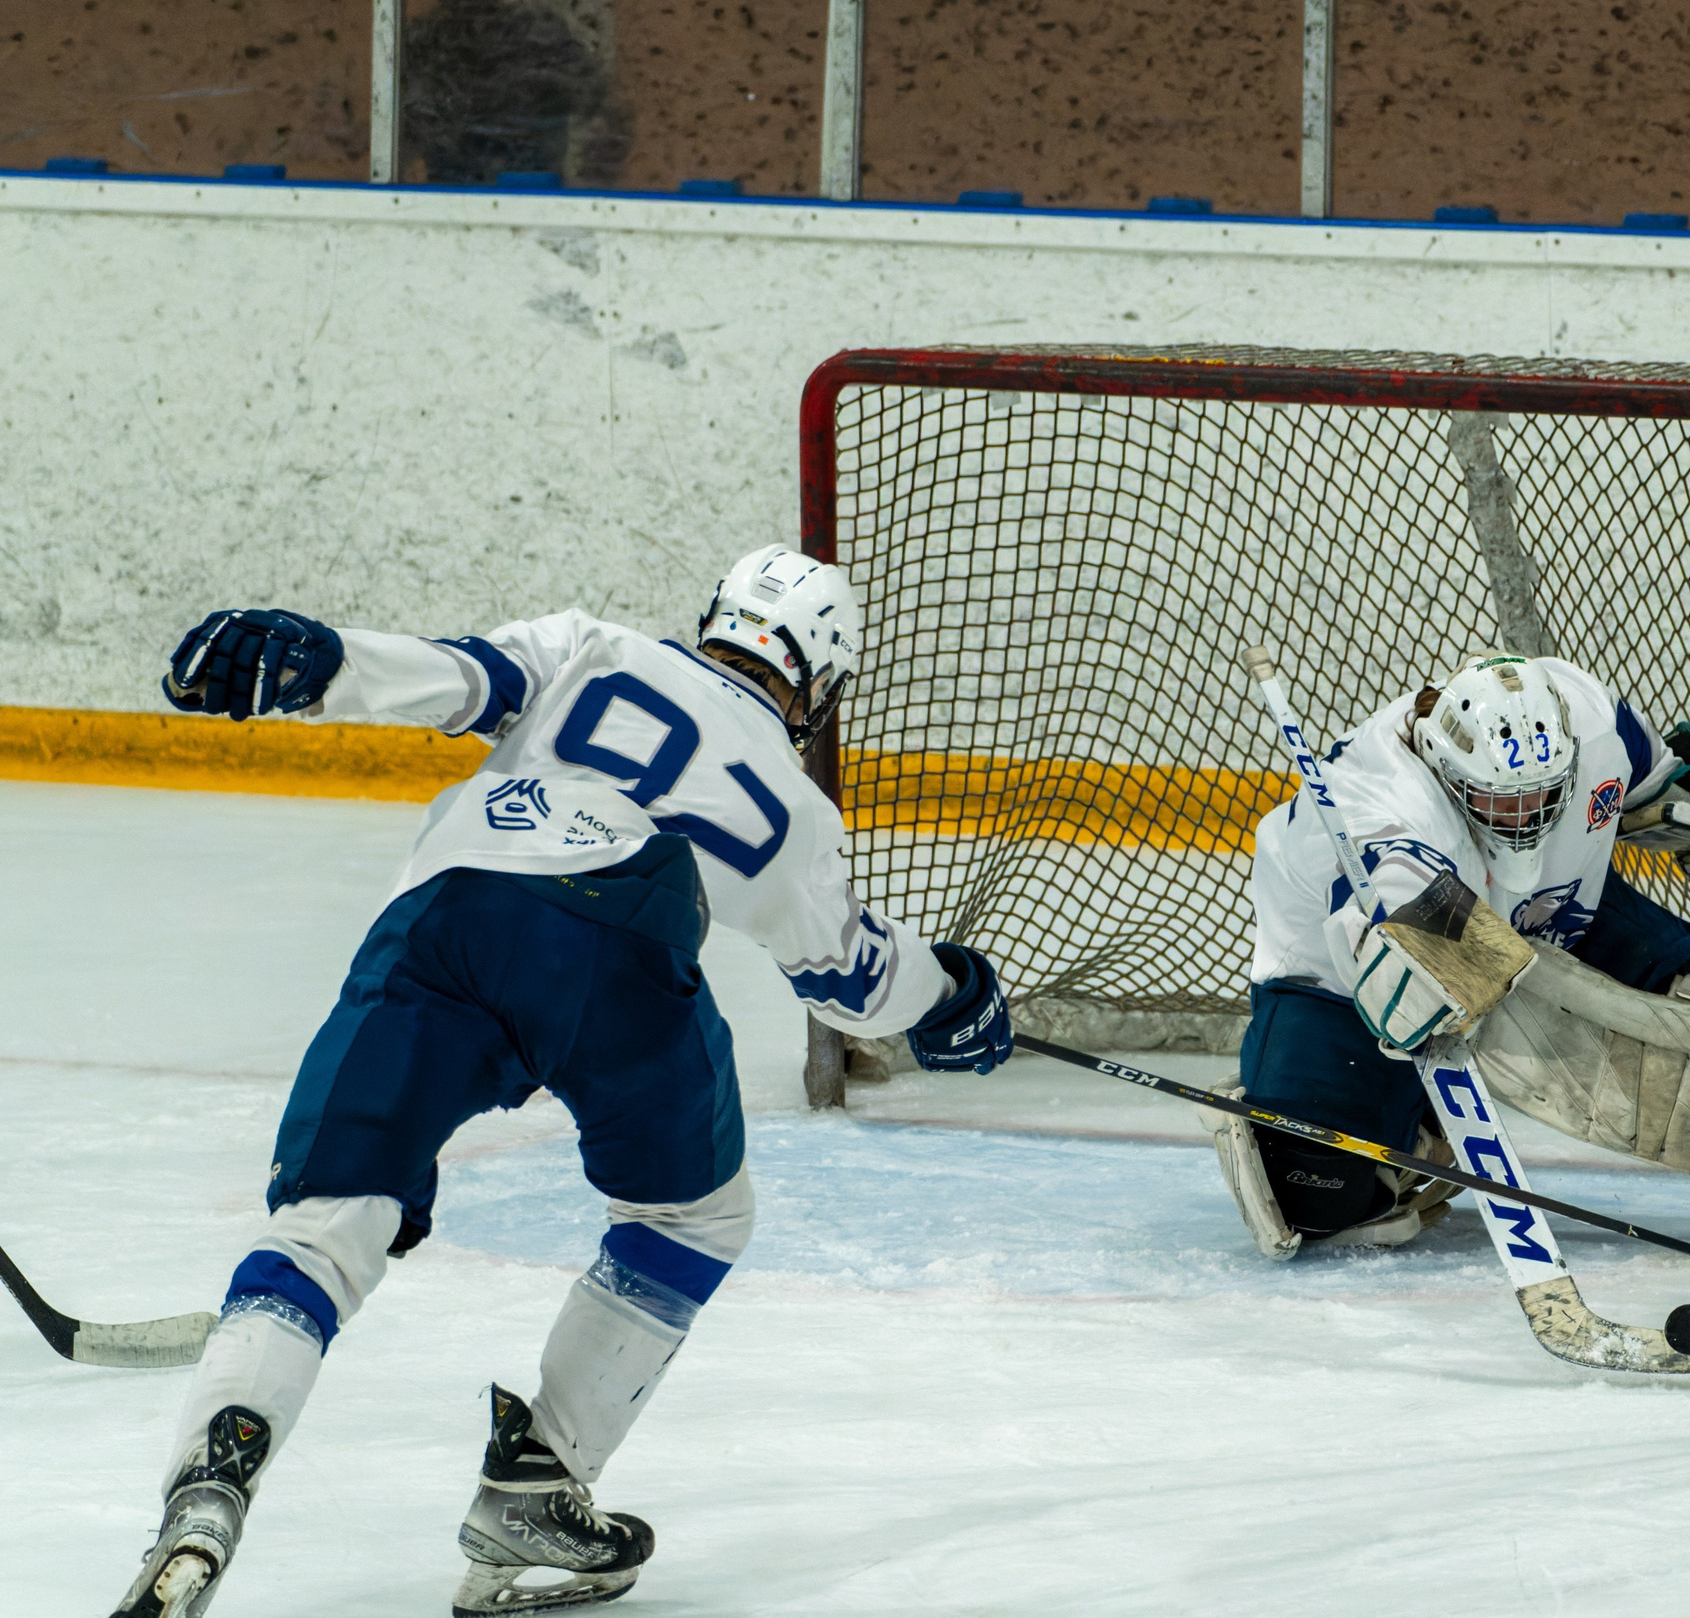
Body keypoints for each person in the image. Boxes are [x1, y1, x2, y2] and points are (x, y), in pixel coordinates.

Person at [110, 548, 1013, 1618]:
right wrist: (952, 993)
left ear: (712, 619)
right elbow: (856, 985)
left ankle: (212, 1484)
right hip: (624, 960)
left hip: (451, 928)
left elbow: (450, 680)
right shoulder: (794, 807)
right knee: (694, 1216)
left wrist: (318, 661)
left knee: (325, 1224)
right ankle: (540, 1476)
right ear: (818, 685)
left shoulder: (596, 647)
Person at [1206, 650, 1690, 1265]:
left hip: (1549, 912)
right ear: (1449, 774)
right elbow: (1433, 939)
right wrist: (1449, 978)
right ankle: (1402, 1121)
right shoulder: (1377, 799)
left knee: (1679, 1004)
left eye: (1540, 799)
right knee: (1314, 1192)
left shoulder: (1588, 717)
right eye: (1498, 803)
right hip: (1341, 979)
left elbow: (1659, 786)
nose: (1523, 820)